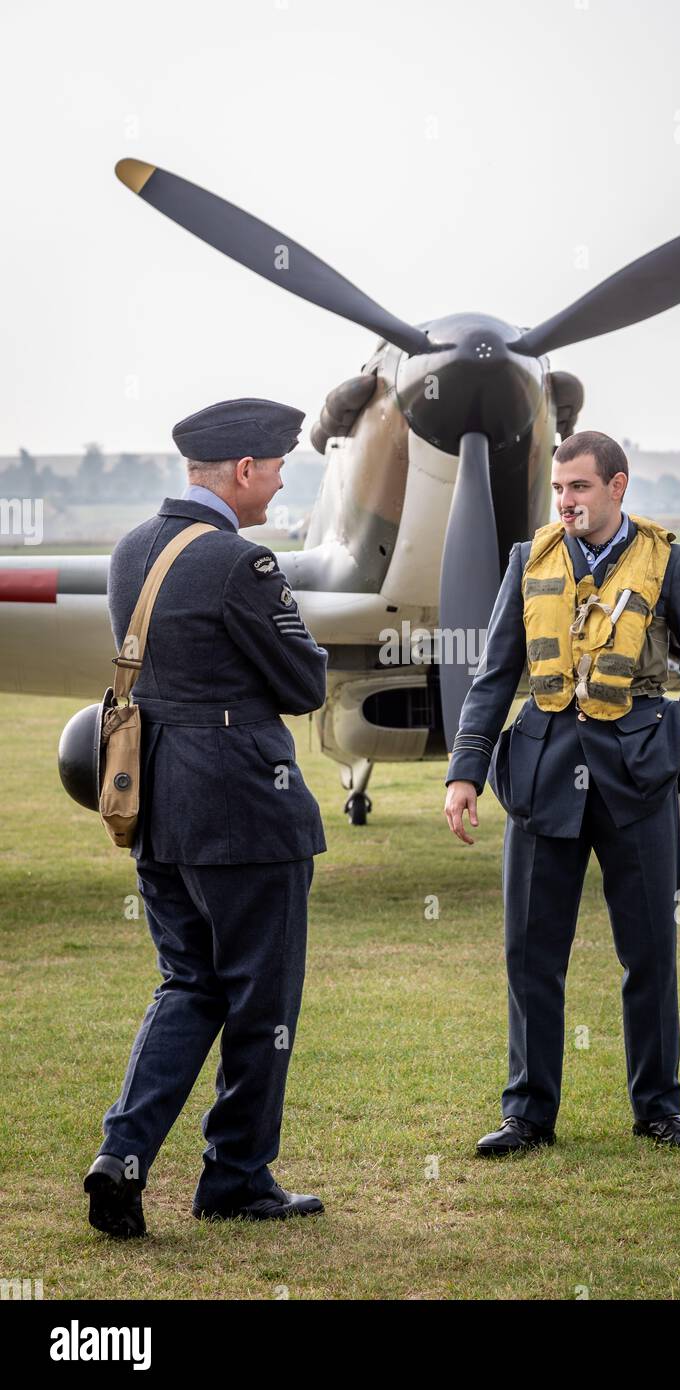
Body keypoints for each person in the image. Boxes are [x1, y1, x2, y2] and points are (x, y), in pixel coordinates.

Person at [443, 430, 680, 1156]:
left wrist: (667, 748)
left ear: (617, 487)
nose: (566, 501)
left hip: (637, 783)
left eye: (579, 487)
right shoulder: (529, 559)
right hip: (543, 782)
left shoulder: (670, 562)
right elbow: (493, 677)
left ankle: (659, 1108)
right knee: (531, 953)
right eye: (559, 489)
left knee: (650, 952)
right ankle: (527, 1115)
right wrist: (464, 773)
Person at [84, 398, 328, 1237]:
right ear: (246, 471)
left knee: (188, 983)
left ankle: (122, 1154)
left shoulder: (129, 549)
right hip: (244, 810)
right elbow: (304, 684)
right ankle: (236, 1178)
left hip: (158, 807)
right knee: (264, 1000)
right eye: (277, 465)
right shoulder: (240, 563)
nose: (284, 479)